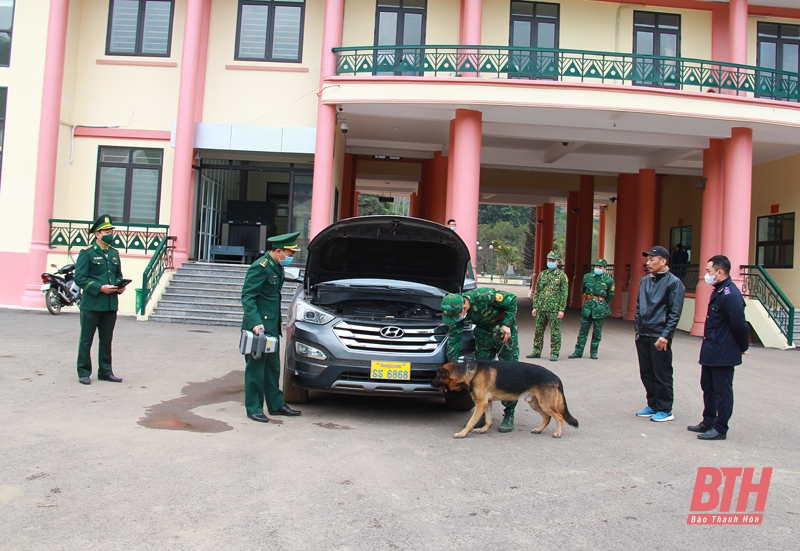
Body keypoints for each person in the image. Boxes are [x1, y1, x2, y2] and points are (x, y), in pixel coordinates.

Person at [240, 232, 303, 423]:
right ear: (278, 251)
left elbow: (271, 298)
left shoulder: (276, 266)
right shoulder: (260, 267)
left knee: (272, 367)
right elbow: (248, 296)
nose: (291, 256)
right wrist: (255, 322)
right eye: (289, 253)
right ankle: (254, 408)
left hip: (271, 327)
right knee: (256, 369)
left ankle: (276, 404)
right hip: (258, 327)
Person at [688, 255, 749, 441]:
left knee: (722, 391)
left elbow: (740, 324)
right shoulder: (719, 290)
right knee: (708, 386)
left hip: (723, 352)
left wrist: (742, 346)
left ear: (719, 272)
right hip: (712, 349)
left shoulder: (731, 294)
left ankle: (720, 428)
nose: (707, 275)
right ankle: (708, 421)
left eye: (709, 271)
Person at [441, 288, 520, 432]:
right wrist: (452, 369)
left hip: (504, 335)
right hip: (484, 337)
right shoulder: (457, 313)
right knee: (479, 377)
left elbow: (512, 299)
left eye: (456, 316)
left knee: (509, 374)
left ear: (464, 308)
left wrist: (507, 324)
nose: (455, 320)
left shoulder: (484, 296)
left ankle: (509, 414)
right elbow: (454, 341)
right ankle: (481, 415)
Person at [634, 246, 685, 422]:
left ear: (663, 261)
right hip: (643, 333)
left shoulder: (674, 283)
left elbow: (674, 313)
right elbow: (639, 306)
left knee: (661, 372)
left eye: (651, 259)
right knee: (646, 372)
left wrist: (666, 335)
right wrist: (637, 326)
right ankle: (653, 404)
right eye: (647, 260)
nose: (648, 263)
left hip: (659, 334)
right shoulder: (645, 281)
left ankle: (665, 408)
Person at [74, 214, 126, 385]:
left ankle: (105, 371)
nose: (111, 233)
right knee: (86, 339)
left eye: (111, 230)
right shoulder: (87, 253)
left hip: (110, 304)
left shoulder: (114, 253)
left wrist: (120, 286)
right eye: (107, 231)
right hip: (92, 304)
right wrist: (99, 288)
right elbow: (80, 278)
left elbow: (117, 275)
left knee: (106, 339)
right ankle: (83, 372)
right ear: (97, 234)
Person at [569, 258, 616, 360]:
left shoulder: (609, 281)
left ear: (604, 269)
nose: (597, 269)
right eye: (596, 267)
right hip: (587, 307)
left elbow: (611, 295)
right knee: (583, 331)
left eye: (600, 267)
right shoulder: (587, 277)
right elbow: (583, 290)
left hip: (599, 309)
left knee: (597, 332)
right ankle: (578, 352)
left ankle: (593, 352)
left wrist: (601, 302)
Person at [527, 250, 568, 361]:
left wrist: (561, 309)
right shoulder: (542, 275)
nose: (550, 262)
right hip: (541, 307)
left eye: (553, 260)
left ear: (557, 262)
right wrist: (535, 306)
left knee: (555, 331)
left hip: (554, 309)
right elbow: (538, 291)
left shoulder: (562, 276)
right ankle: (536, 351)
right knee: (538, 330)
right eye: (549, 260)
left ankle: (554, 353)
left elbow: (564, 294)